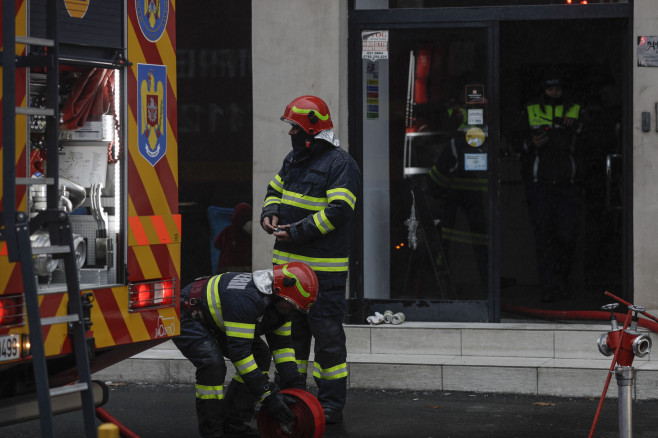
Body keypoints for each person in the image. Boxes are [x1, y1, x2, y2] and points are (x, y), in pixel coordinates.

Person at [260, 95, 361, 424]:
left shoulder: (340, 164)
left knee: (328, 342)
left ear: (312, 129)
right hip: (289, 275)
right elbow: (274, 189)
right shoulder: (294, 159)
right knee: (290, 340)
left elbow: (340, 211)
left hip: (322, 276)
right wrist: (269, 212)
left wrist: (297, 232)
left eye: (294, 127)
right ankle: (293, 396)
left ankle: (330, 406)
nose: (290, 133)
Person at [172, 262, 318, 438]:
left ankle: (232, 422)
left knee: (261, 355)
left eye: (296, 307)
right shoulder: (246, 300)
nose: (292, 310)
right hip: (188, 314)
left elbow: (283, 350)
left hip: (218, 320)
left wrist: (297, 392)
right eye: (290, 304)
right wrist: (269, 397)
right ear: (278, 291)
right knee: (212, 364)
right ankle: (211, 431)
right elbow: (241, 354)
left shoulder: (283, 306)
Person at [517, 75, 582, 303]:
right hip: (540, 187)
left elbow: (591, 144)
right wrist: (529, 144)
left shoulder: (575, 110)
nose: (554, 92)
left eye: (558, 87)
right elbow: (513, 143)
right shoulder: (531, 110)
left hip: (568, 187)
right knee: (544, 239)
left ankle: (563, 285)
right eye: (550, 87)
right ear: (543, 89)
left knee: (566, 238)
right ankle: (548, 288)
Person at [213, 202, 253, 274]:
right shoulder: (250, 234)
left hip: (226, 268)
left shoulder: (228, 231)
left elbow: (217, 244)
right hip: (247, 269)